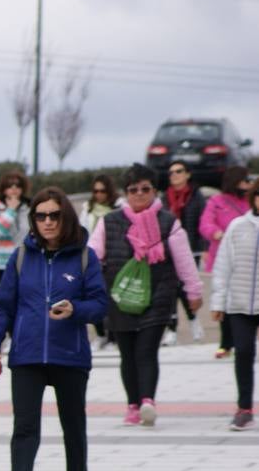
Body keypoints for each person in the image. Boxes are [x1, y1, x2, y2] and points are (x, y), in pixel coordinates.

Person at [0, 187, 110, 471]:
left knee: (73, 426)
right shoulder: (22, 257)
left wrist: (75, 309)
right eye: (41, 216)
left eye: (54, 215)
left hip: (70, 356)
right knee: (24, 428)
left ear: (65, 217)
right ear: (33, 220)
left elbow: (100, 305)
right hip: (26, 356)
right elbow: (2, 307)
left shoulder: (84, 257)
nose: (48, 221)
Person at [89, 165, 204, 428]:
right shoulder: (109, 222)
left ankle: (147, 401)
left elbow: (185, 261)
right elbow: (92, 255)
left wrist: (193, 291)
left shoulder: (169, 223)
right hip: (120, 297)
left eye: (145, 189)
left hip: (158, 296)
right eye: (133, 190)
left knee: (146, 351)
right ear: (125, 193)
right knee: (127, 354)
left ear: (154, 191)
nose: (139, 194)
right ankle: (133, 404)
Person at [209, 182, 259, 430]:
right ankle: (244, 407)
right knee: (244, 351)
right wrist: (218, 302)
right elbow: (223, 267)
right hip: (239, 305)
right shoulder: (238, 226)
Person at [200, 167, 254, 358]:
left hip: (248, 260)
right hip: (222, 256)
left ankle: (243, 342)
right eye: (244, 180)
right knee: (225, 300)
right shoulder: (217, 201)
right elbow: (205, 223)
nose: (247, 184)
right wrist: (216, 233)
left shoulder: (250, 201)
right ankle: (226, 342)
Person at [162, 160, 209, 344]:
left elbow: (202, 224)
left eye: (179, 171)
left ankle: (193, 320)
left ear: (187, 174)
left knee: (186, 288)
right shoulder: (165, 198)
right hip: (168, 251)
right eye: (171, 172)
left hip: (190, 250)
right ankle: (172, 328)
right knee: (170, 289)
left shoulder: (196, 197)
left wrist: (204, 248)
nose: (174, 175)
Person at [79, 174, 120, 348]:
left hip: (113, 257)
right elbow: (81, 229)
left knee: (112, 299)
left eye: (102, 191)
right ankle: (100, 334)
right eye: (95, 191)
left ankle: (112, 337)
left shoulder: (118, 207)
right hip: (92, 257)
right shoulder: (87, 207)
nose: (99, 195)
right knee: (92, 296)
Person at [0, 170, 30, 285]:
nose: (14, 188)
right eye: (10, 186)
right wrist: (11, 210)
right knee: (7, 298)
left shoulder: (29, 208)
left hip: (26, 260)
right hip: (3, 262)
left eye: (18, 185)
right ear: (4, 189)